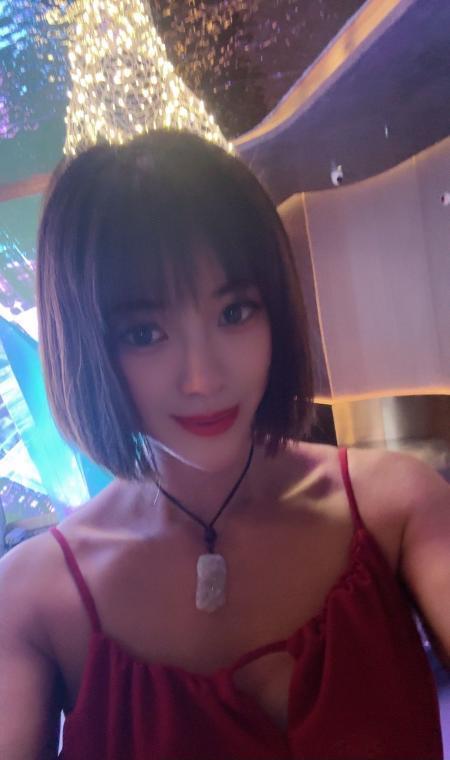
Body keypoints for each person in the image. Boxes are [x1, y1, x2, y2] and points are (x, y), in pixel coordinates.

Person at [0, 130, 449, 760]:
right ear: (87, 344)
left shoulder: (396, 507)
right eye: (145, 332)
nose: (203, 378)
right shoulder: (33, 599)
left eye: (234, 313)